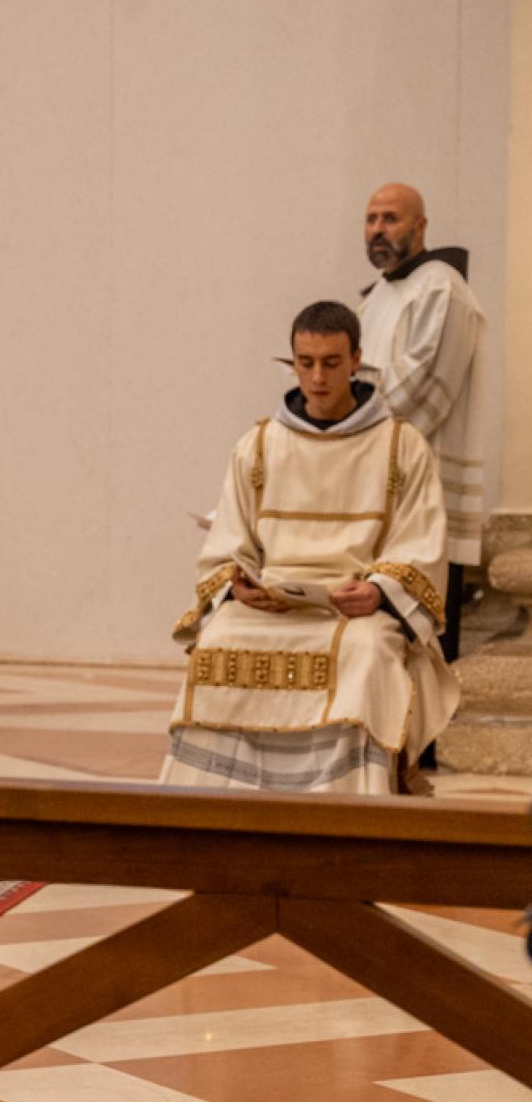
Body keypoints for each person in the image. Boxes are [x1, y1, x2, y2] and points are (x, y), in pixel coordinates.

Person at [161, 302, 457, 794]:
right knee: (217, 640)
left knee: (366, 653)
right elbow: (228, 541)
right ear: (293, 362)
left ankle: (346, 810)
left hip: (354, 608)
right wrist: (236, 585)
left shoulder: (400, 446)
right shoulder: (259, 445)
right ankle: (213, 812)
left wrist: (379, 591)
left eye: (332, 363)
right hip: (273, 604)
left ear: (356, 359)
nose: (317, 377)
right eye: (306, 362)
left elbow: (419, 544)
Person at [357, 183, 486, 658]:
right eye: (371, 219)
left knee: (424, 649)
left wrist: (344, 424)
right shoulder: (375, 296)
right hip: (374, 478)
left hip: (419, 484)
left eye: (390, 218)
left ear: (421, 225)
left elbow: (421, 390)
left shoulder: (441, 287)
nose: (377, 229)